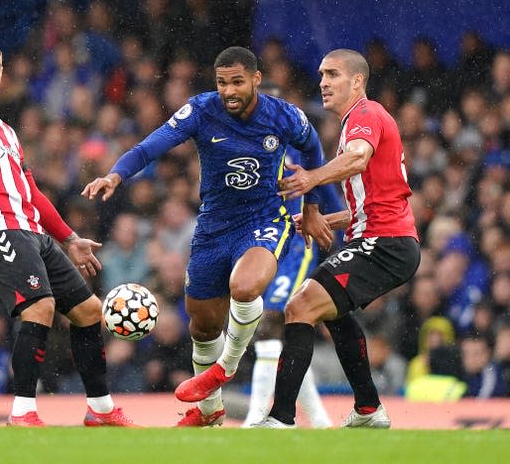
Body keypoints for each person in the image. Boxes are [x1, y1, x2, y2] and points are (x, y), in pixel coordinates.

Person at [83, 46, 332, 426]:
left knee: (246, 287)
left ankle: (227, 366)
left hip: (264, 219)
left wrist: (312, 207)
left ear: (255, 79)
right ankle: (210, 410)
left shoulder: (282, 115)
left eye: (237, 82)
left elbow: (313, 149)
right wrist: (116, 174)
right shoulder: (201, 110)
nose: (229, 91)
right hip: (213, 227)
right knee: (202, 326)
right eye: (222, 83)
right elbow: (151, 145)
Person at [0, 38, 134, 427]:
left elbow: (31, 193)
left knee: (89, 312)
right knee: (41, 307)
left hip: (34, 233)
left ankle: (101, 411)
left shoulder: (7, 131)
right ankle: (22, 412)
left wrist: (70, 238)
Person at [252, 49, 420, 428]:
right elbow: (369, 204)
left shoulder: (365, 115)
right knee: (333, 312)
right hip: (383, 240)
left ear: (357, 81)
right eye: (321, 75)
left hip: (384, 244)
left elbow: (358, 158)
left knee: (300, 307)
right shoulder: (353, 122)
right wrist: (324, 219)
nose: (323, 83)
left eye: (332, 75)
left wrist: (310, 178)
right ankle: (367, 408)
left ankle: (280, 418)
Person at [241, 80, 339, 428]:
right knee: (288, 334)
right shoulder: (244, 156)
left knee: (271, 325)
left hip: (296, 250)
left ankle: (255, 421)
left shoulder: (305, 157)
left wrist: (327, 237)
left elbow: (330, 207)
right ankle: (319, 420)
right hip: (260, 248)